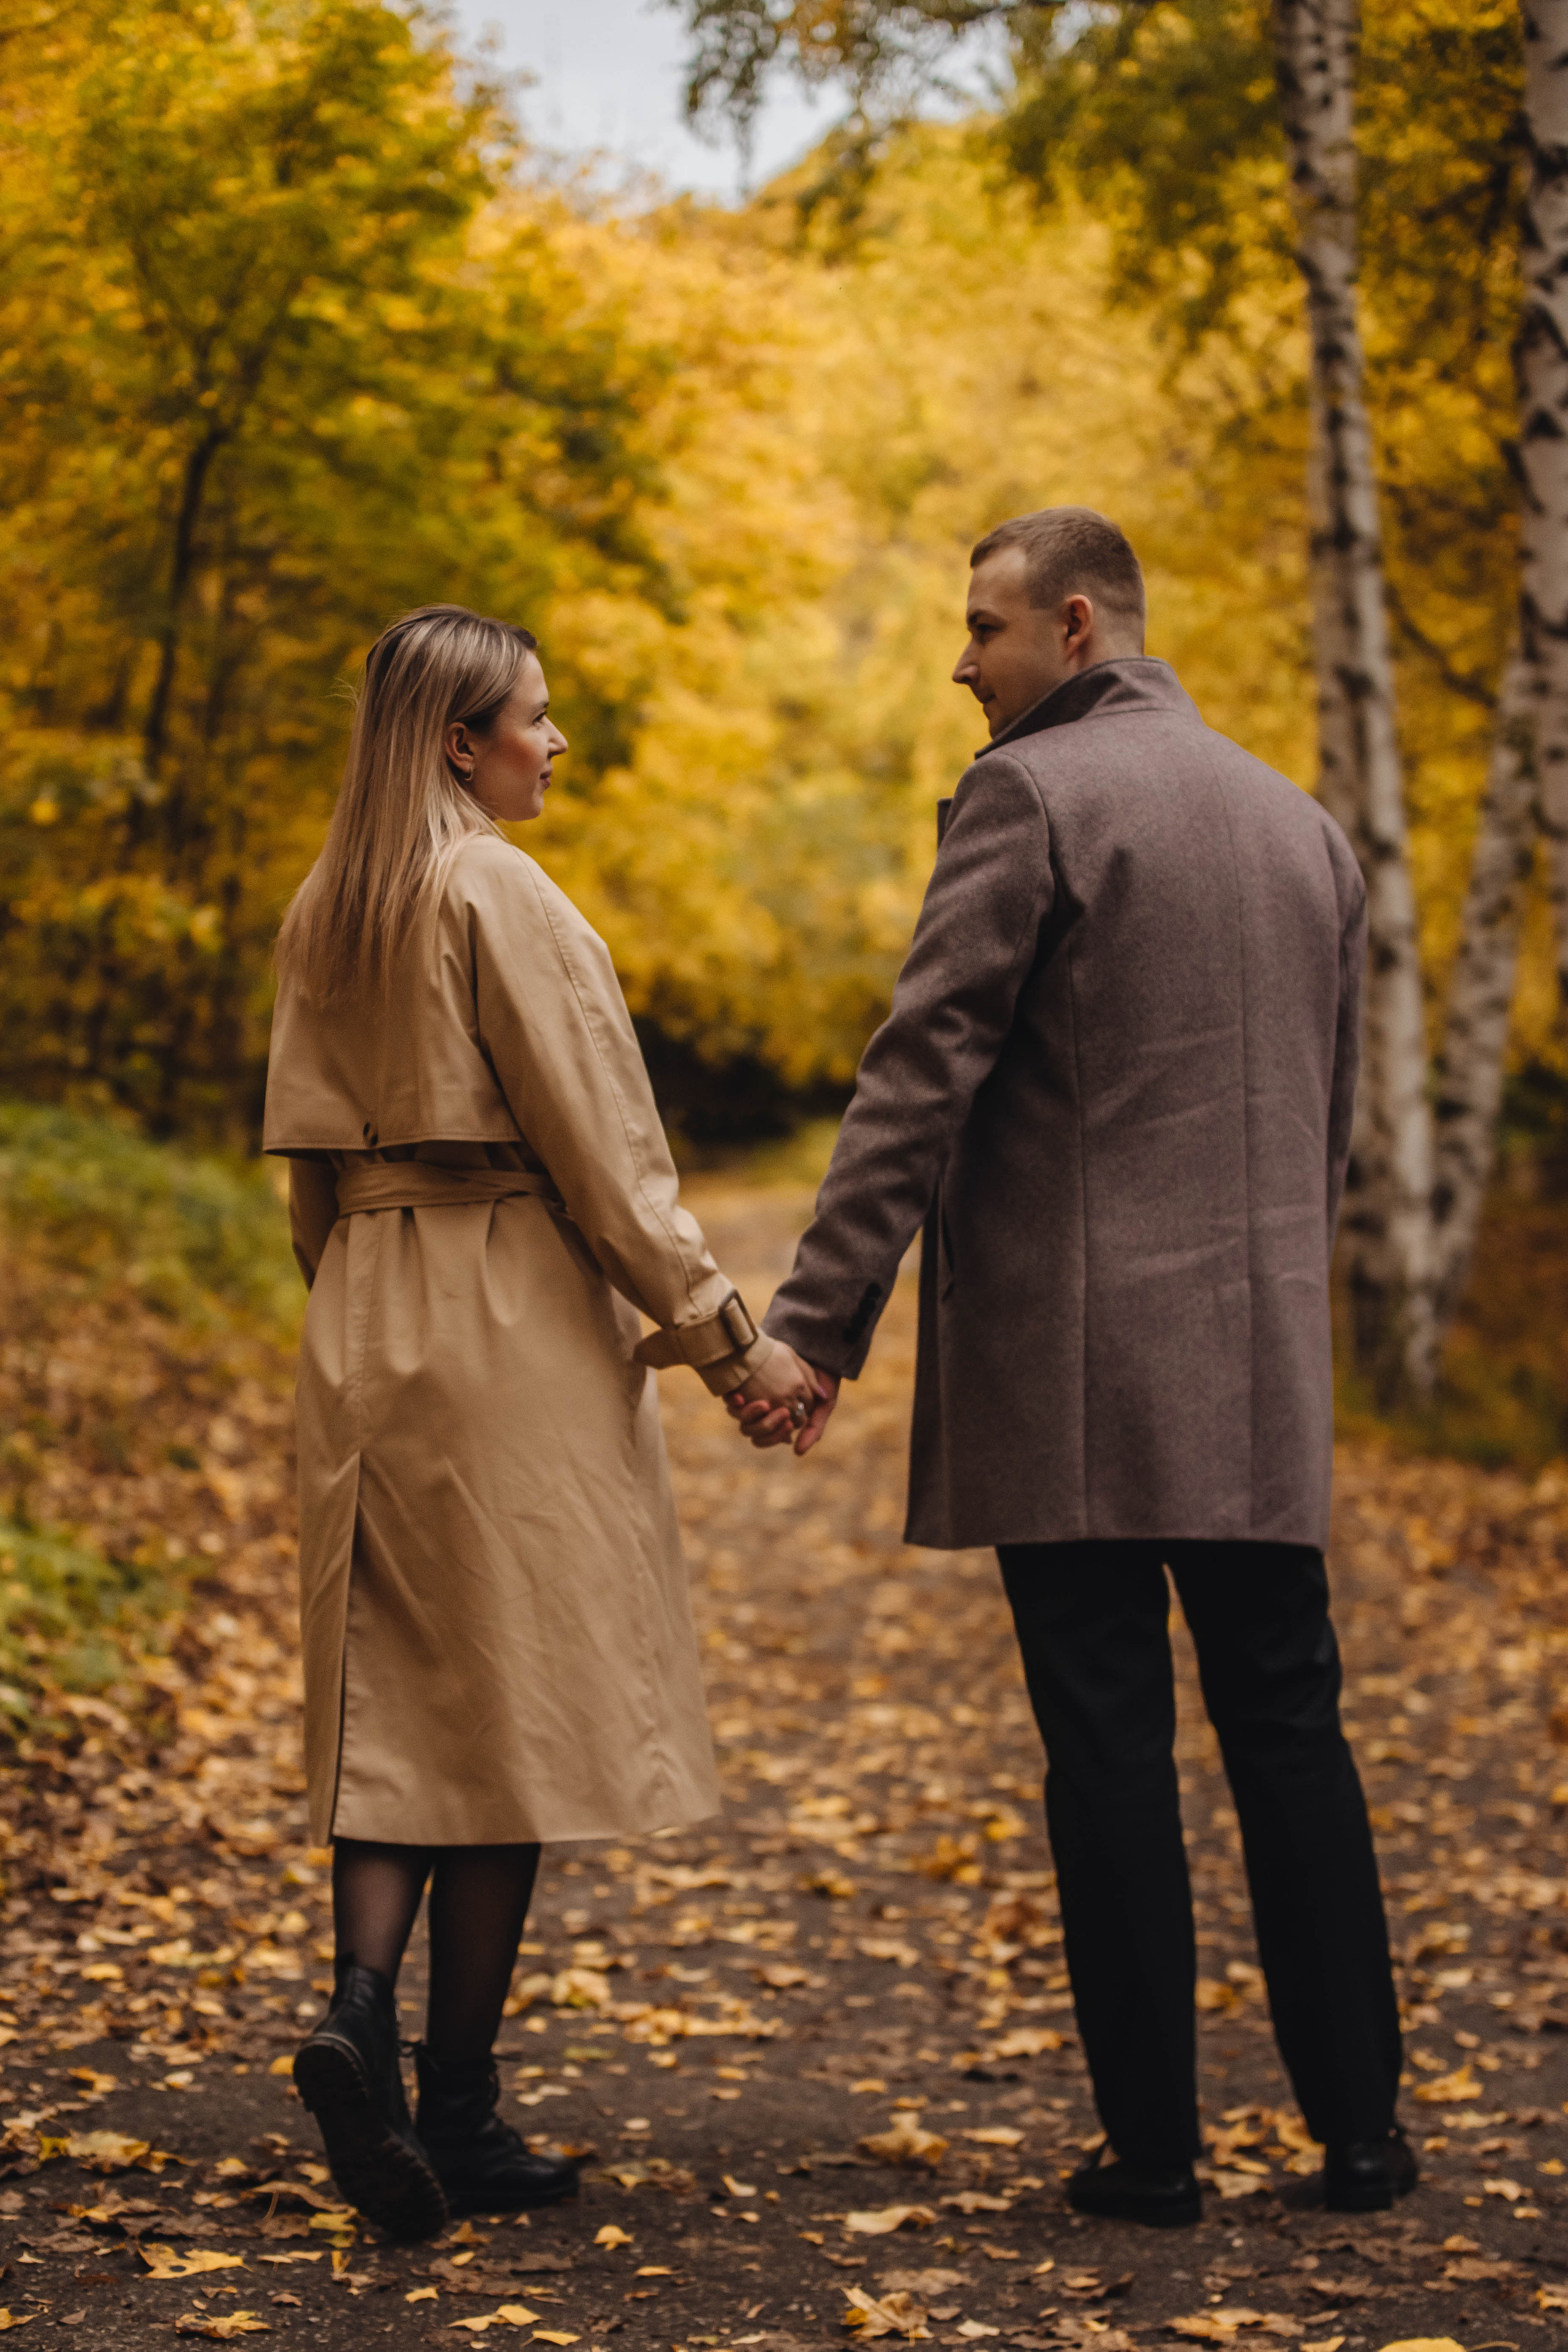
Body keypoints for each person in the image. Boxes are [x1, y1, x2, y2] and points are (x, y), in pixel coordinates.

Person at [739, 509, 1412, 2228]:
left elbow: (919, 1074)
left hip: (1080, 1375)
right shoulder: (1304, 827)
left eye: (986, 627)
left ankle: (1157, 2157)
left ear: (1078, 624)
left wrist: (816, 1323)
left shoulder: (1031, 798)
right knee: (1291, 1729)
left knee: (1109, 1746)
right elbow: (1326, 1128)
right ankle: (1362, 2137)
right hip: (1258, 1368)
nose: (964, 663)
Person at [263, 605, 820, 2240]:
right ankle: (459, 2106)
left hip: (363, 1309)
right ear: (461, 741)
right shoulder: (496, 890)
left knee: (393, 1697)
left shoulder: (328, 904)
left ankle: (357, 2010)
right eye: (535, 717)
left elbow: (307, 1183)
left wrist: (360, 1306)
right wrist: (727, 1344)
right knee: (502, 1715)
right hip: (505, 1309)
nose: (556, 743)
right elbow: (607, 1152)